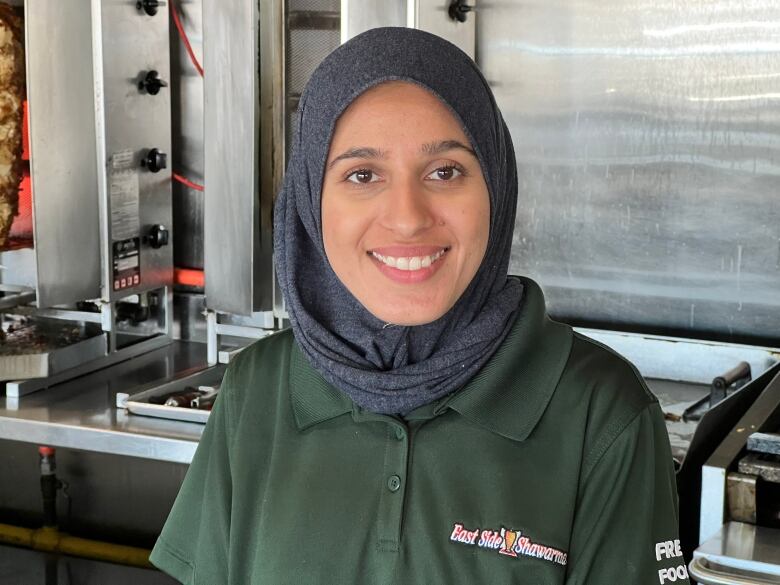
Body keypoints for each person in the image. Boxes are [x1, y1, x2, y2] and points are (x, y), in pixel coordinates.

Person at [150, 27, 689, 584]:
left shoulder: (602, 414)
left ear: (495, 189)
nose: (408, 217)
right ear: (312, 201)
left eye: (445, 172)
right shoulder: (256, 390)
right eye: (362, 175)